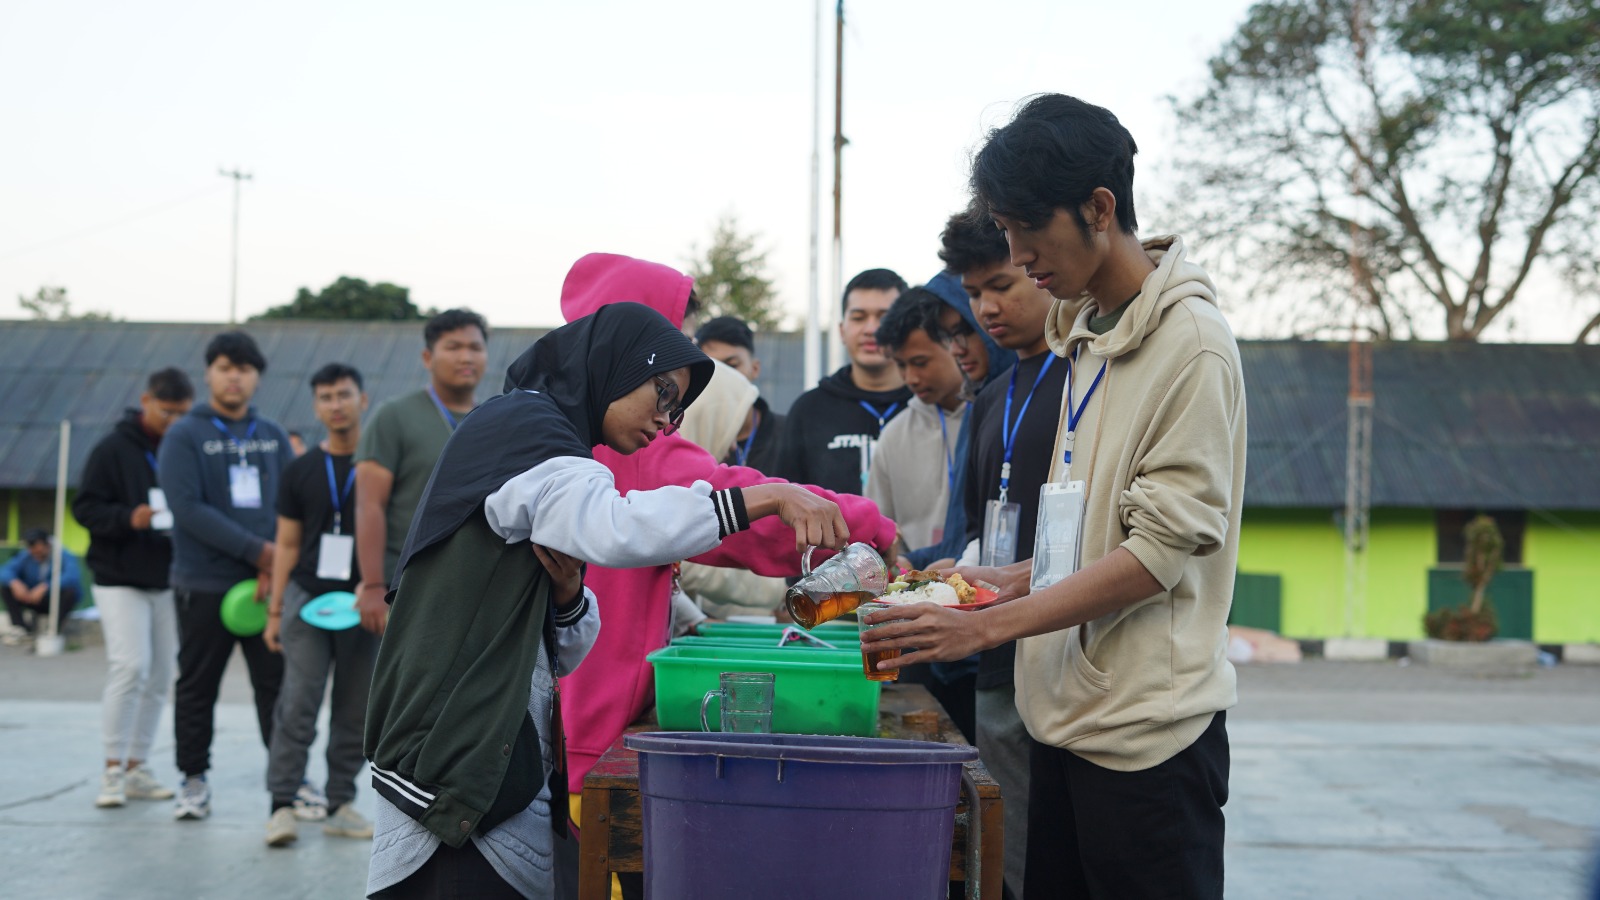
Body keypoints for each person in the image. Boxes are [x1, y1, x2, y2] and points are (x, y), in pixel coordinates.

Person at [863, 93, 1246, 900]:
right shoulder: (1087, 339)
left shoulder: (1192, 346)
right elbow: (1101, 528)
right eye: (1007, 235)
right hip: (1063, 719)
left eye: (1029, 237)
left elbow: (1155, 555)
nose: (1020, 258)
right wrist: (1003, 583)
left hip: (1148, 740)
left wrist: (990, 629)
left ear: (1099, 208)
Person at [365, 302, 851, 899]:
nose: (667, 421)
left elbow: (561, 655)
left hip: (497, 751)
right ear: (616, 366)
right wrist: (766, 498)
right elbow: (619, 529)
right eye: (664, 393)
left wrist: (568, 594)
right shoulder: (527, 428)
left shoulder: (557, 449)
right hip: (454, 757)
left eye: (680, 411)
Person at [555, 253, 898, 898]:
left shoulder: (556, 422)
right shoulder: (633, 443)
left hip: (558, 724)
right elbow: (742, 509)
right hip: (590, 738)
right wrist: (872, 527)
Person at [158, 330, 291, 821]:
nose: (234, 376)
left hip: (267, 589)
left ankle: (287, 785)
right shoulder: (184, 434)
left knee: (277, 687)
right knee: (197, 685)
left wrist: (274, 566)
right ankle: (193, 780)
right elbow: (187, 508)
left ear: (256, 377)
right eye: (224, 366)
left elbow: (290, 506)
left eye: (244, 368)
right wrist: (261, 553)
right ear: (209, 373)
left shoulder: (272, 435)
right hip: (204, 584)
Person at [262, 363, 378, 847]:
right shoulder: (300, 470)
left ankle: (340, 803)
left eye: (344, 395)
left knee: (354, 707)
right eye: (326, 397)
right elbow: (286, 544)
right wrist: (274, 609)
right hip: (306, 598)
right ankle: (282, 806)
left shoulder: (378, 466)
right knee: (299, 703)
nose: (336, 404)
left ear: (362, 400)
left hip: (361, 602)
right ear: (316, 406)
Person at [72, 367, 193, 807]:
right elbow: (85, 508)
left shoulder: (184, 446)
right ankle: (110, 770)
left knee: (162, 672)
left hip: (167, 577)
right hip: (118, 576)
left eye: (182, 413)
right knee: (130, 666)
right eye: (167, 411)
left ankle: (137, 765)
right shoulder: (112, 448)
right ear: (146, 402)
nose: (174, 421)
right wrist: (128, 518)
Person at [354, 308, 488, 637]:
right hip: (406, 585)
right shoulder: (394, 416)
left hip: (475, 587)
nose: (466, 357)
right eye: (453, 347)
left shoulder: (494, 418)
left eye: (475, 347)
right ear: (428, 357)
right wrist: (373, 585)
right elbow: (369, 505)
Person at [899, 267, 1018, 570]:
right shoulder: (980, 402)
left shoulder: (1025, 396)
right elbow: (961, 541)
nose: (956, 349)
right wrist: (907, 562)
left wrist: (961, 565)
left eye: (965, 330)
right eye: (950, 336)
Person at [775, 268, 912, 495]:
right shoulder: (809, 410)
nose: (871, 329)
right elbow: (785, 499)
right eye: (858, 318)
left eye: (884, 317)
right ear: (841, 330)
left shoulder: (927, 404)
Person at [867, 287, 970, 559]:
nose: (910, 377)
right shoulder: (894, 435)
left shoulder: (994, 418)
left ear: (955, 342)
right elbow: (876, 532)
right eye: (901, 365)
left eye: (920, 362)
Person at [692, 315, 784, 474]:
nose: (722, 378)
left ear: (755, 368)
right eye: (712, 369)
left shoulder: (790, 432)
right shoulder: (691, 440)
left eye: (732, 366)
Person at [1, 529, 81, 645]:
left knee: (70, 591)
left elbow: (72, 576)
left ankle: (53, 629)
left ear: (47, 545)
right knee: (6, 587)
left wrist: (46, 586)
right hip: (31, 598)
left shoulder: (63, 555)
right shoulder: (26, 555)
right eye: (32, 549)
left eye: (39, 550)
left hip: (52, 601)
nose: (35, 553)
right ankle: (20, 628)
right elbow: (5, 570)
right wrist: (15, 583)